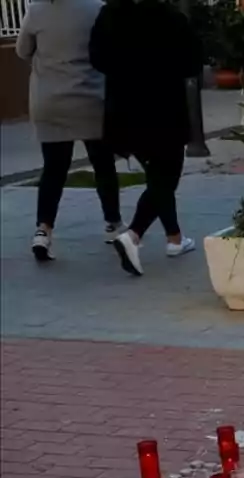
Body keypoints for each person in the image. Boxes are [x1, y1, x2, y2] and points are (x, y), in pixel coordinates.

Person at [89, 0, 204, 276]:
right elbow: (193, 62)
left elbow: (97, 58)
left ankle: (175, 238)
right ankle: (134, 235)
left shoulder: (110, 14)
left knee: (158, 175)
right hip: (163, 109)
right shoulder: (170, 17)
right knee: (166, 176)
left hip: (123, 109)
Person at [16, 0, 124, 263]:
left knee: (53, 169)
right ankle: (113, 224)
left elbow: (22, 51)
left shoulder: (37, 10)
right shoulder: (97, 8)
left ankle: (43, 230)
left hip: (50, 101)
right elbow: (109, 51)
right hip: (91, 98)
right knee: (103, 164)